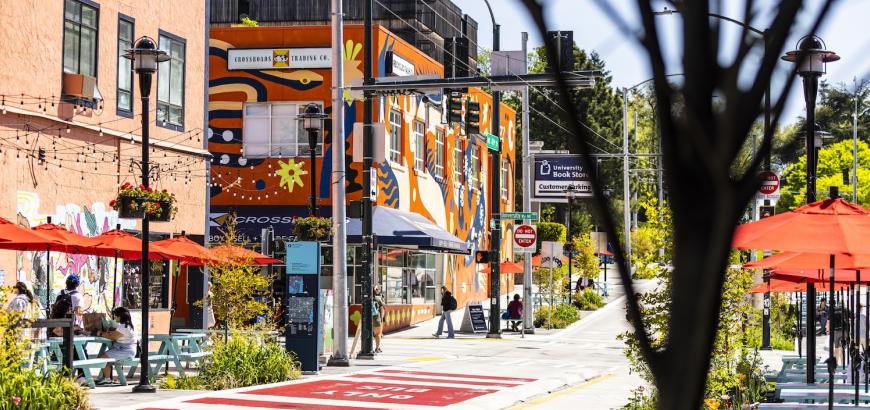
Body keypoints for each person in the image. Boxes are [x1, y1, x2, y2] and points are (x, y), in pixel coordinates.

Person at [95, 307, 137, 385]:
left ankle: (107, 379)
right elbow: (116, 335)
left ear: (120, 316)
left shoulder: (123, 326)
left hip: (125, 350)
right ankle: (106, 378)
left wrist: (100, 333)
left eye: (116, 316)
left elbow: (112, 337)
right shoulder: (127, 325)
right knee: (105, 358)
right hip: (125, 349)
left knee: (102, 358)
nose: (115, 318)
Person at [373, 286, 385, 353]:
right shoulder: (378, 299)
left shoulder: (366, 299)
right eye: (377, 289)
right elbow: (382, 308)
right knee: (378, 334)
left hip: (366, 319)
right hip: (376, 318)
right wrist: (381, 318)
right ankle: (377, 348)